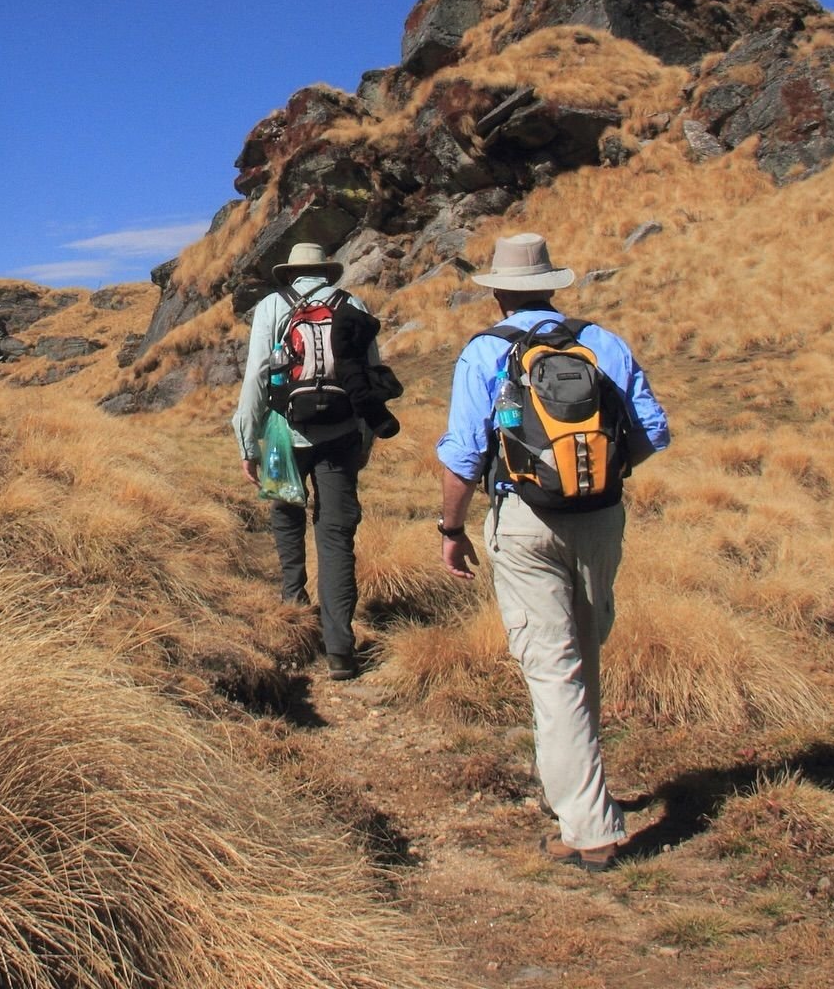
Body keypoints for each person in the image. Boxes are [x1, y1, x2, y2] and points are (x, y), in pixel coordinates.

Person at [436, 232, 669, 871]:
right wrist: (599, 472)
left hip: (524, 518)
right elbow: (652, 430)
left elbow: (462, 457)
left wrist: (451, 531)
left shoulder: (486, 352)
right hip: (600, 517)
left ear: (501, 293)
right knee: (584, 653)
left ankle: (589, 830)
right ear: (551, 286)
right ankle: (582, 795)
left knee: (553, 668)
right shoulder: (602, 343)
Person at [232, 242, 390, 681]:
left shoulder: (271, 306)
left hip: (284, 429)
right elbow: (369, 375)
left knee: (286, 514)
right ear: (326, 271)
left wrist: (248, 443)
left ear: (291, 273)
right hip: (341, 433)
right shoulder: (352, 303)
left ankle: (294, 606)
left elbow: (257, 375)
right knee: (337, 535)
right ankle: (340, 647)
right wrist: (364, 442)